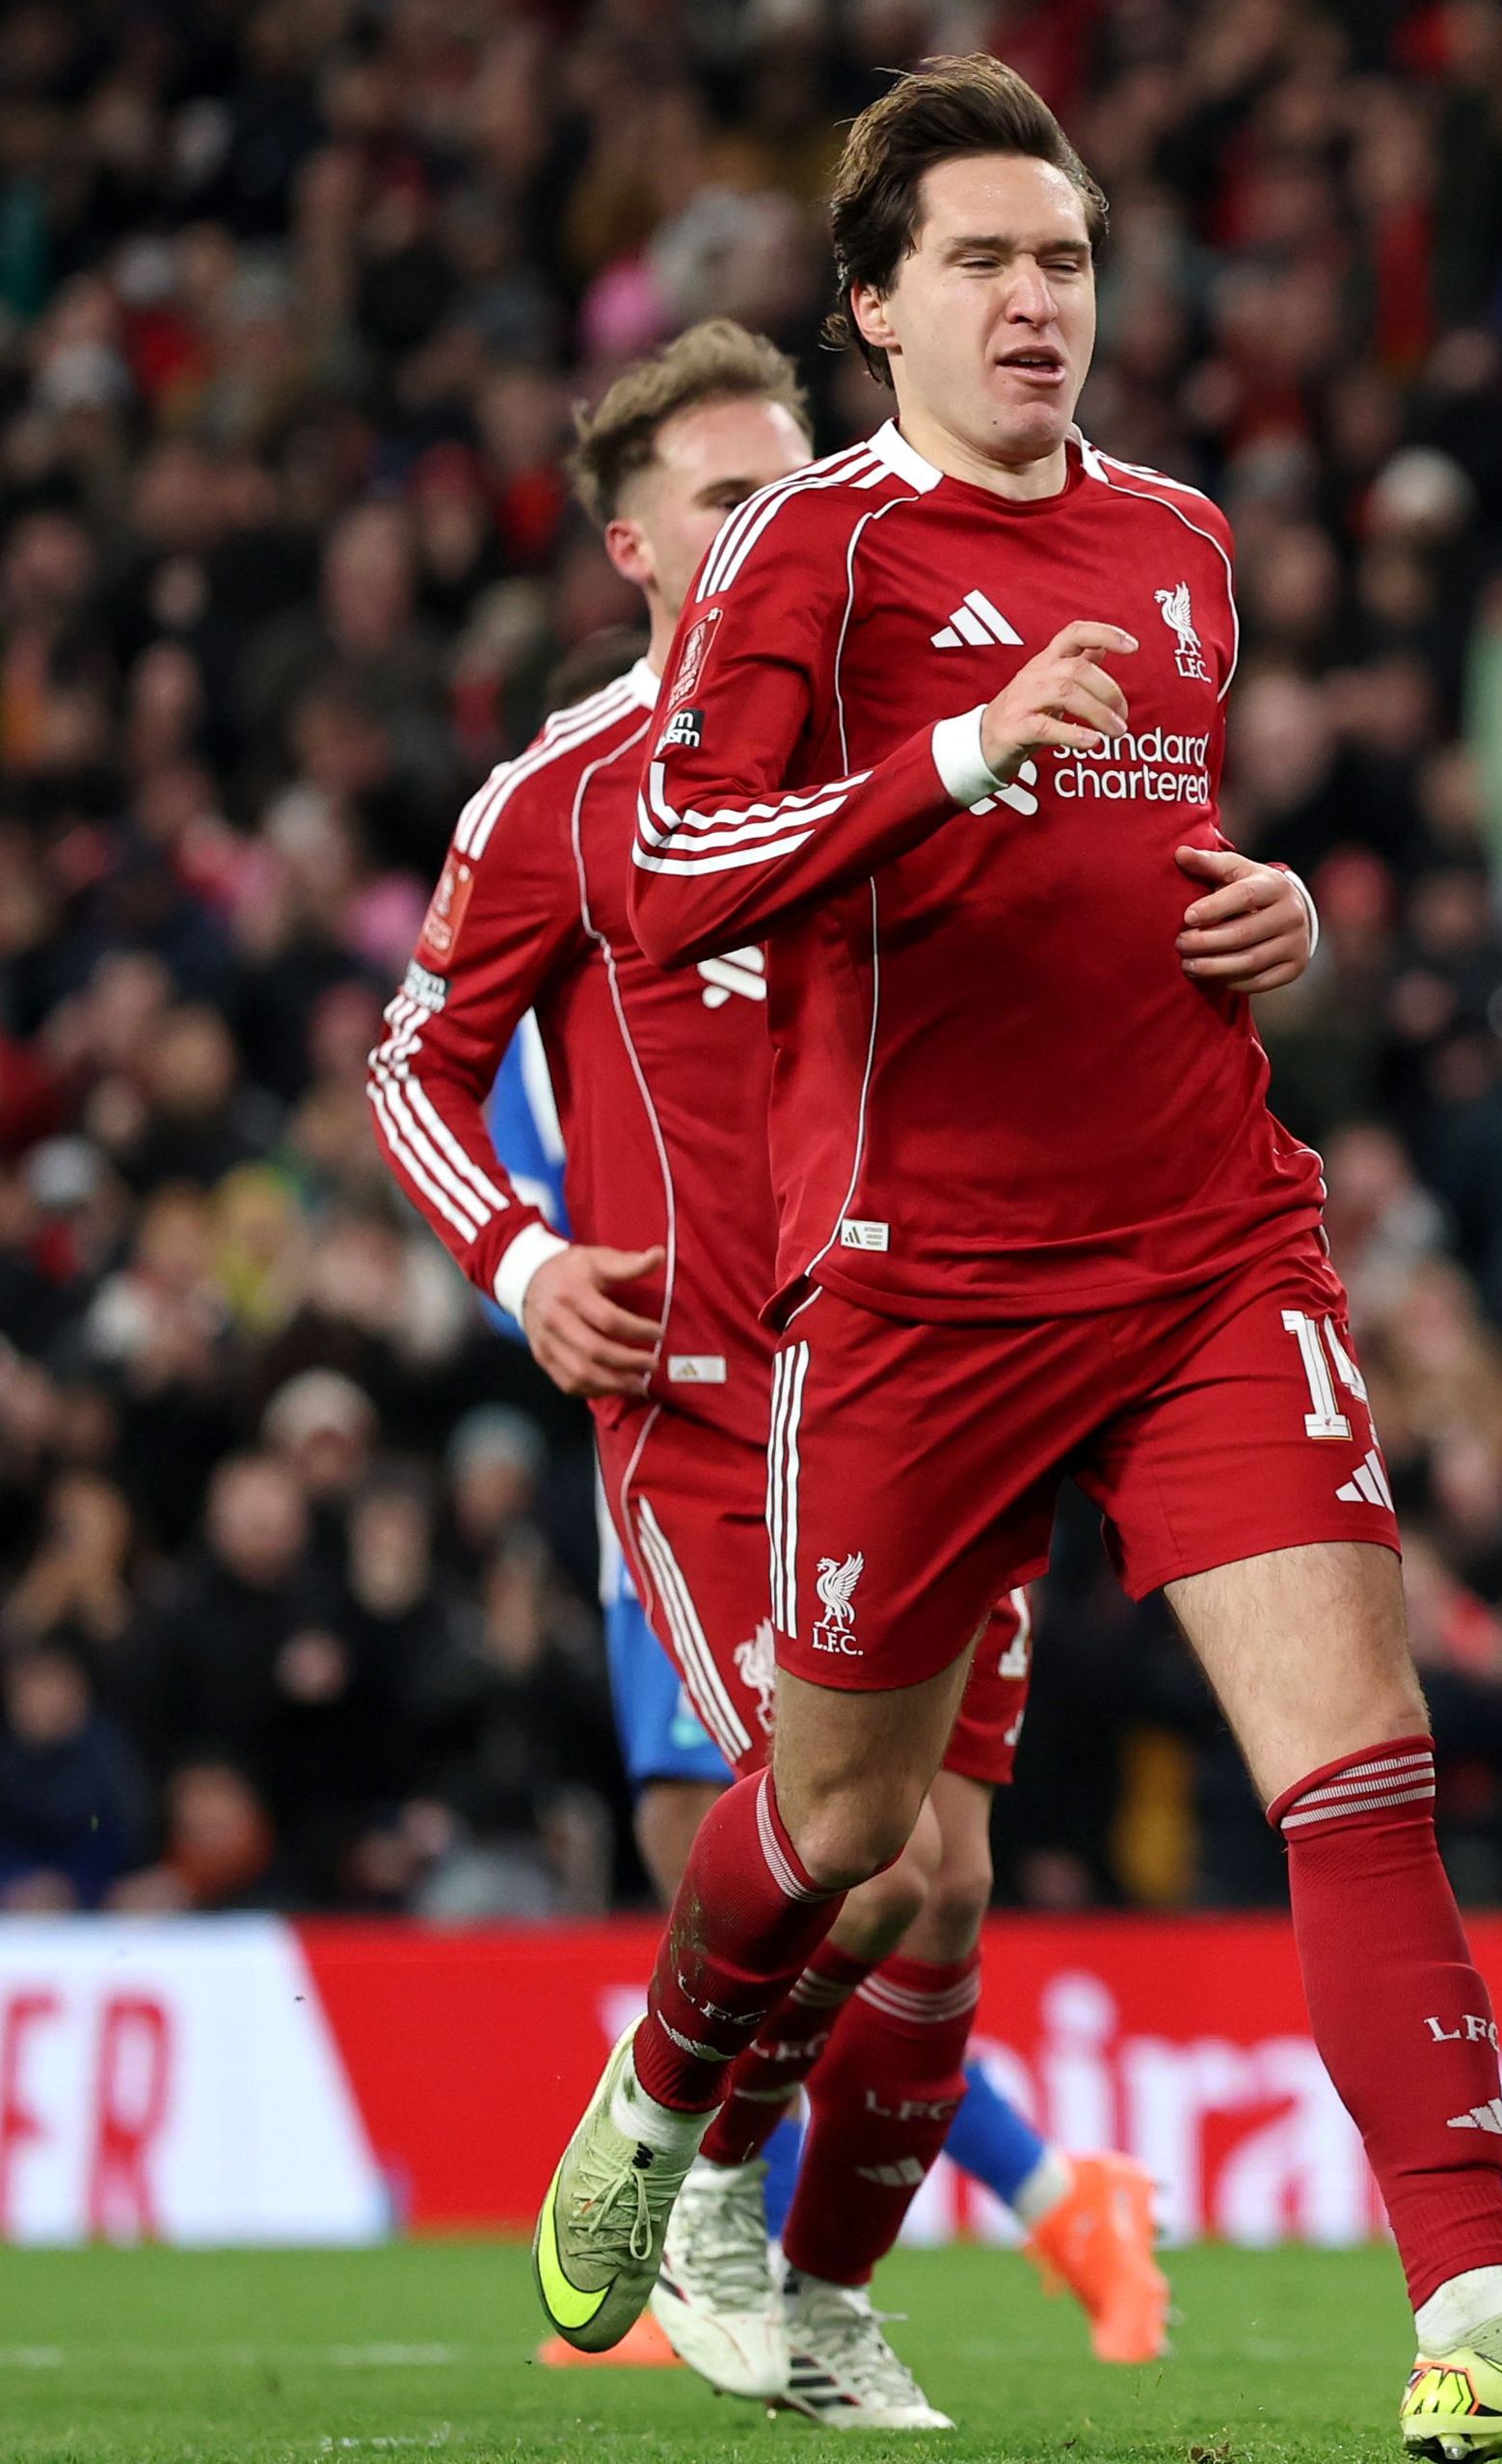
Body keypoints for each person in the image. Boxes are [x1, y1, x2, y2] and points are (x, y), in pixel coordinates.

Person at [521, 58, 1502, 2461]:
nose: (1036, 298)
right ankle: (657, 2086)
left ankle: (1475, 2303)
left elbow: (1156, 872)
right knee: (840, 1826)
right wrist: (944, 765)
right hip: (920, 1283)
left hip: (1202, 1243)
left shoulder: (1180, 545)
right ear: (873, 308)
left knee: (1361, 1767)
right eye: (981, 260)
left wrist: (1273, 934)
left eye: (1062, 256)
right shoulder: (803, 557)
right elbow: (662, 884)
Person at [374, 320, 1197, 2413]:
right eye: (730, 498)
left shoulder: (947, 739)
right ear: (642, 549)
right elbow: (414, 1064)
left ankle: (814, 2280)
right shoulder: (561, 793)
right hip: (716, 1406)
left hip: (941, 1365)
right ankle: (707, 2180)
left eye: (792, 479)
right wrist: (525, 1255)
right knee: (876, 1841)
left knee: (947, 1905)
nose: (782, 521)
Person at [481, 998, 1172, 2371]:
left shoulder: (734, 904)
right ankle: (1010, 2209)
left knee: (812, 1874)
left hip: (786, 1427)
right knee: (794, 1884)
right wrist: (534, 1280)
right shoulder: (582, 918)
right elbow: (524, 1199)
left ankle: (742, 2219)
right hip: (701, 1431)